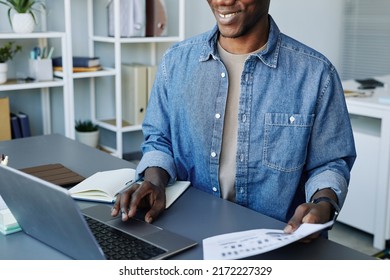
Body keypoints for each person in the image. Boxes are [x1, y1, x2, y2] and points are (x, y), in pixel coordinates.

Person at [112, 0, 356, 241]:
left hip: (278, 244)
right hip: (189, 236)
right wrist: (154, 180)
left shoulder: (316, 74)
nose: (223, 1)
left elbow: (330, 162)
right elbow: (159, 138)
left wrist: (324, 203)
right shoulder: (175, 62)